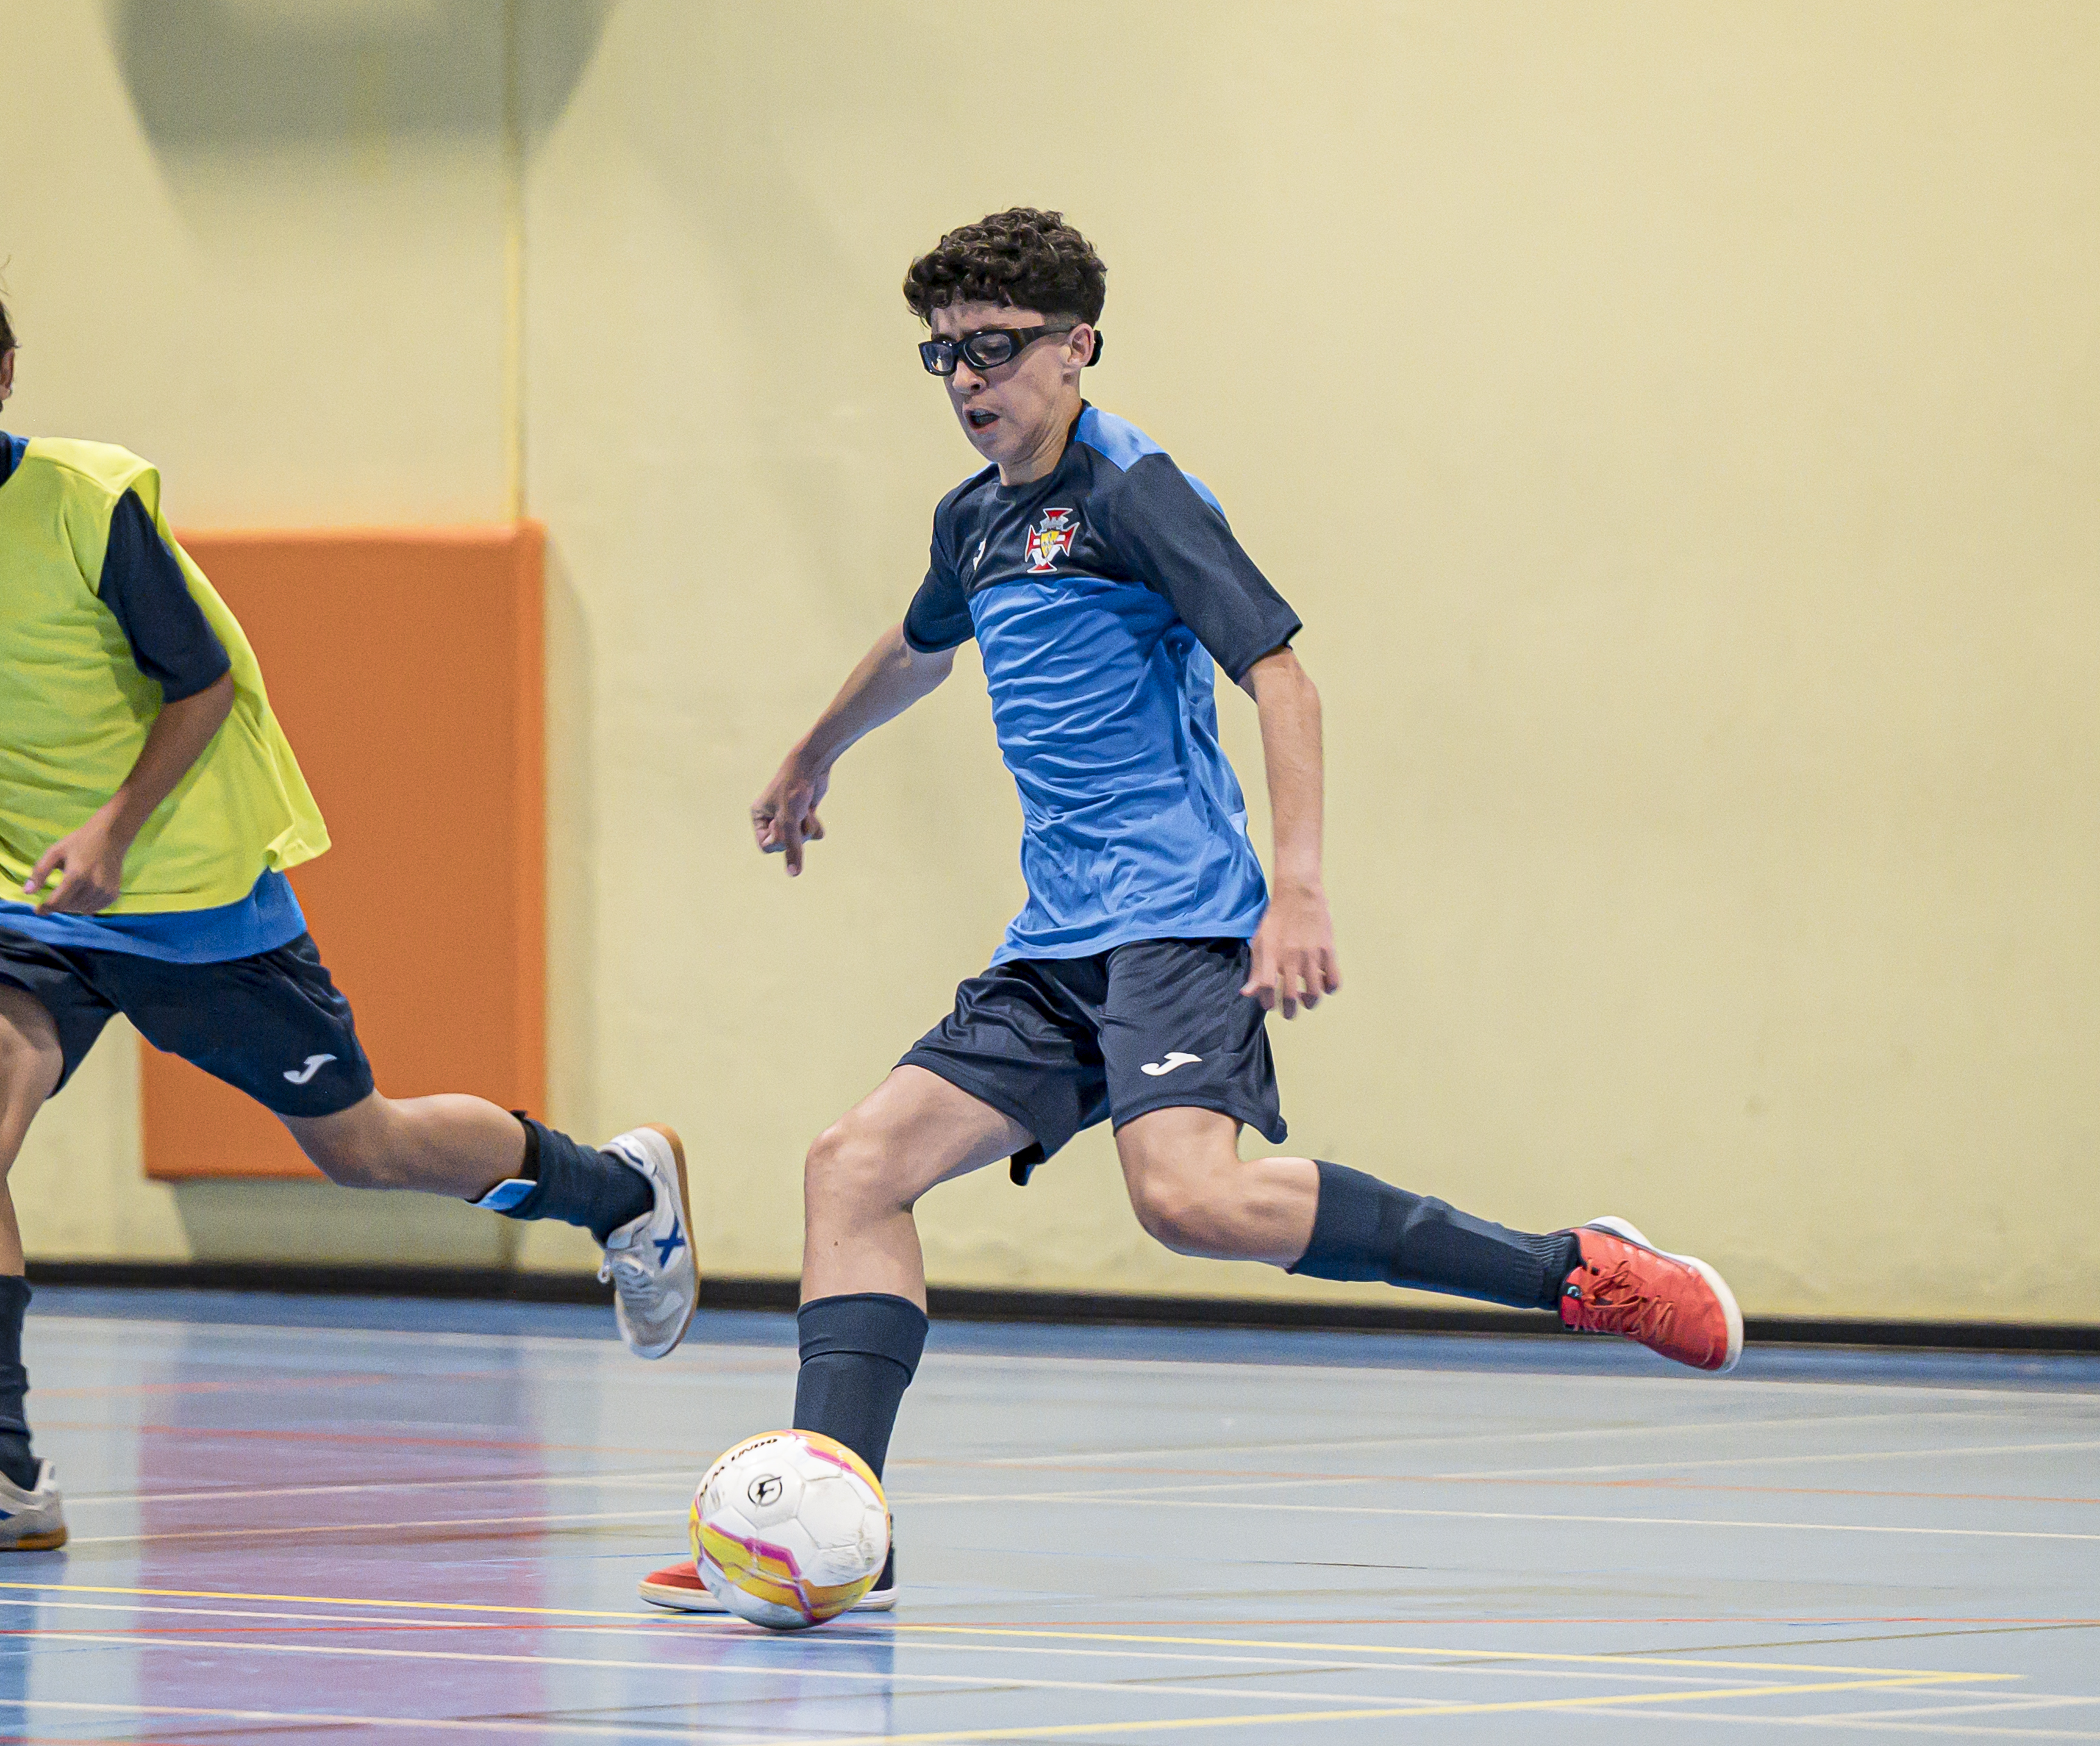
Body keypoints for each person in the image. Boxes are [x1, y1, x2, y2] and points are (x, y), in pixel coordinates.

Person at [640, 208, 1737, 1614]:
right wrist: (810, 753)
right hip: (1056, 943)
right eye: (943, 357)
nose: (969, 382)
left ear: (1075, 345)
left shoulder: (1133, 491)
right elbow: (920, 647)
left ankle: (1575, 1271)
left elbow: (1280, 673)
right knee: (853, 1168)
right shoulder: (972, 519)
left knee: (1190, 1202)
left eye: (994, 349)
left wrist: (1296, 886)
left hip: (1178, 922)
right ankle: (838, 1521)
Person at [0, 216, 698, 1557]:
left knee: (365, 1146)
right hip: (34, 907)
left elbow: (203, 682)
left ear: (4, 377)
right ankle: (1, 1473)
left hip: (193, 888)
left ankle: (619, 1191)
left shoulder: (90, 507)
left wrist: (114, 830)